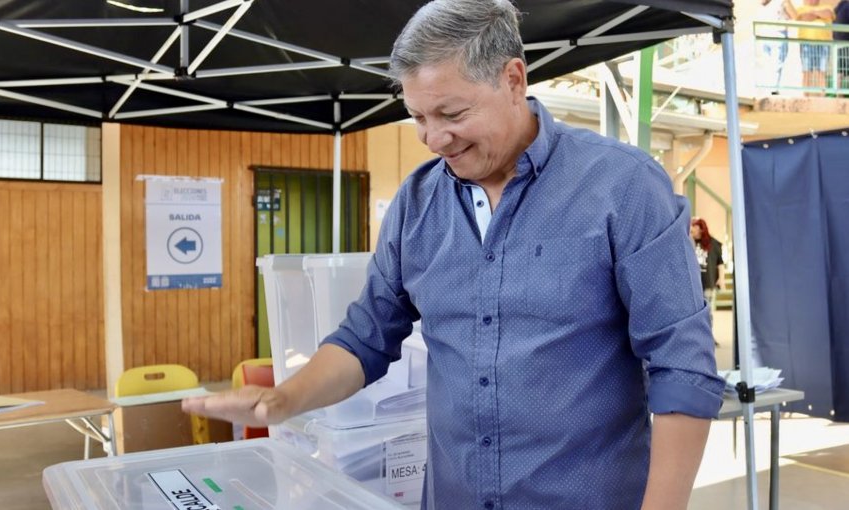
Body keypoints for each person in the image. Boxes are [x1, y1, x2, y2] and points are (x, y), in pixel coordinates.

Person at [183, 1, 724, 508]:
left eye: (451, 113)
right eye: (417, 116)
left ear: (513, 79)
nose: (433, 138)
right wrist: (285, 399)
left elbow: (683, 366)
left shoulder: (624, 188)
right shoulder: (417, 205)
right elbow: (365, 336)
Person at [690, 218, 724, 345]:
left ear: (700, 228)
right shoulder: (689, 242)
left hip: (708, 283)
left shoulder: (713, 244)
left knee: (708, 312)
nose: (692, 229)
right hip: (693, 284)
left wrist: (721, 279)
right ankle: (696, 337)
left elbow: (720, 263)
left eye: (694, 226)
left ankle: (708, 336)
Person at [792, 0, 836, 93]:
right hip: (806, 45)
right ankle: (805, 96)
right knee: (806, 72)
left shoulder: (827, 7)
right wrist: (819, 14)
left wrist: (813, 13)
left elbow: (828, 14)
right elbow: (802, 18)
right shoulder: (801, 9)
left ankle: (822, 96)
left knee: (822, 72)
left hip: (823, 44)